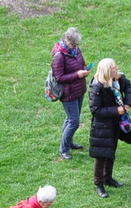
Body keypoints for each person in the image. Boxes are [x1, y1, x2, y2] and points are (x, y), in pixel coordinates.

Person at [88, 58, 131, 199]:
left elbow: (128, 87)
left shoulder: (118, 78)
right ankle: (99, 184)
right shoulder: (97, 87)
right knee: (101, 155)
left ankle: (108, 178)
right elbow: (95, 111)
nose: (117, 69)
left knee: (111, 151)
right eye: (114, 68)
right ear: (107, 71)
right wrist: (116, 110)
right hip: (102, 126)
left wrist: (127, 103)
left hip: (114, 123)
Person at [52, 28, 89, 160]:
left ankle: (69, 142)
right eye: (74, 44)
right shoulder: (59, 56)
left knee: (71, 119)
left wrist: (84, 69)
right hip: (68, 94)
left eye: (77, 44)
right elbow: (59, 77)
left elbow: (82, 63)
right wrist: (77, 75)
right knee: (74, 121)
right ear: (66, 41)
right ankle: (64, 149)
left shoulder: (75, 50)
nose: (76, 47)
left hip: (78, 90)